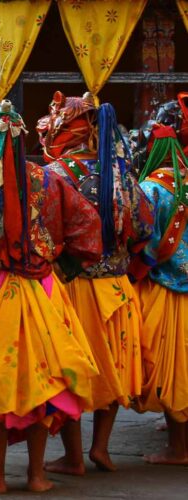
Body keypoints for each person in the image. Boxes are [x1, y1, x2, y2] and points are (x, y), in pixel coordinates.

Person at [0, 101, 102, 493]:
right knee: (41, 384)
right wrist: (61, 264)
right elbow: (88, 224)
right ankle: (37, 475)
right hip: (45, 290)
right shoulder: (49, 180)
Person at [37, 93, 154, 474]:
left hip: (73, 287)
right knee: (113, 369)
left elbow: (44, 234)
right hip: (117, 287)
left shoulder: (55, 175)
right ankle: (100, 448)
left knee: (70, 368)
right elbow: (143, 227)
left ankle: (73, 457)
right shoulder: (121, 173)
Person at [129, 124, 188, 465]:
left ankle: (177, 449)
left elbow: (144, 236)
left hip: (167, 287)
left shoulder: (152, 187)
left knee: (170, 369)